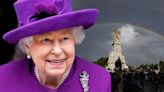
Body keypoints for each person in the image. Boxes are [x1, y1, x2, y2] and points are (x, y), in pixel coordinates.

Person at [0, 0, 111, 92]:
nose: (57, 51)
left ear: (75, 40)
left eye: (65, 38)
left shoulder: (100, 79)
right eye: (46, 40)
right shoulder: (3, 79)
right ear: (27, 46)